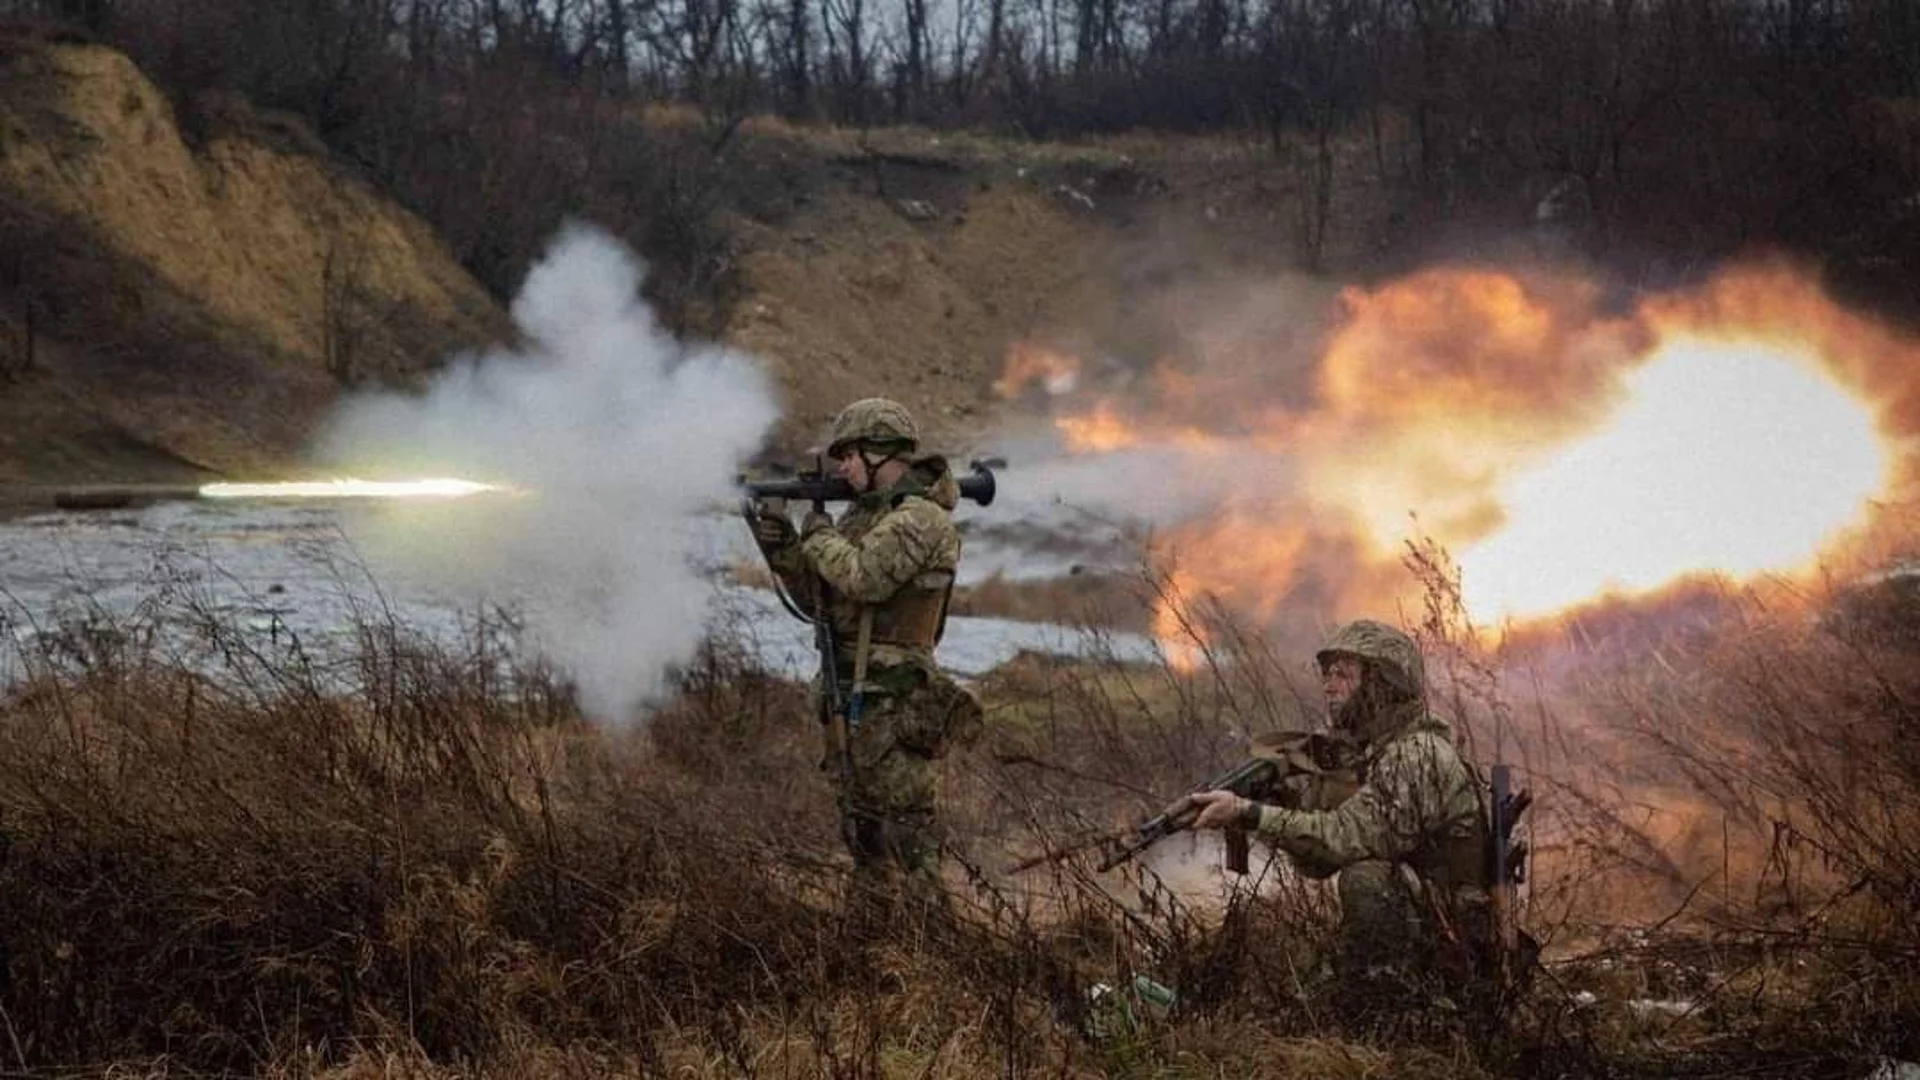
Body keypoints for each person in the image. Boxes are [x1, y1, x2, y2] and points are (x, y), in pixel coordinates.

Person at [1179, 619, 1499, 1019]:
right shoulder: (1379, 754)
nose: (1329, 685)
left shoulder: (1417, 754)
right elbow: (1317, 863)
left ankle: (1386, 1013)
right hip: (1433, 925)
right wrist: (1279, 806)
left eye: (1343, 674)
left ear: (1383, 684)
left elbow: (1342, 838)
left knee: (1367, 878)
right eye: (1327, 674)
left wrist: (1249, 814)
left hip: (1458, 941)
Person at [745, 397, 981, 921]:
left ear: (881, 453)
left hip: (896, 701)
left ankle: (936, 958)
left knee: (908, 840)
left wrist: (817, 531)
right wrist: (781, 547)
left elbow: (864, 578)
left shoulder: (921, 519)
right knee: (863, 838)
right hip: (852, 699)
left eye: (849, 455)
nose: (842, 467)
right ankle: (871, 951)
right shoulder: (862, 517)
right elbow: (820, 602)